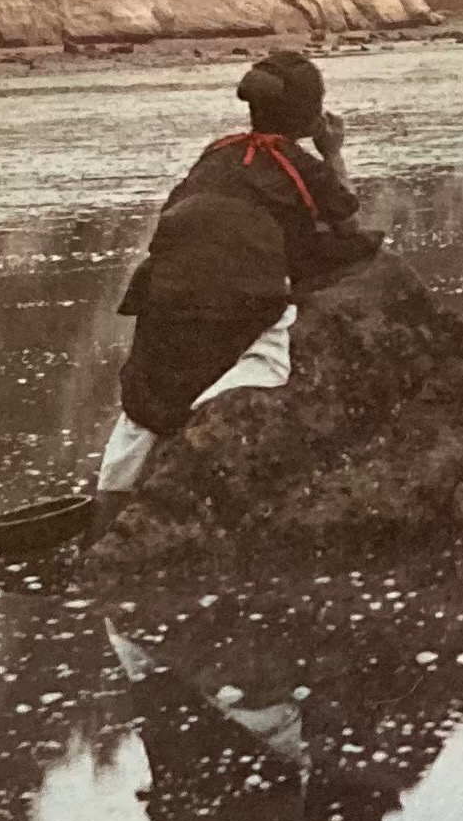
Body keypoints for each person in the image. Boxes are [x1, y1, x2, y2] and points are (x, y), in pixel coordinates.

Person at [93, 50, 377, 508]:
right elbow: (346, 222)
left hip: (164, 297)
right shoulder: (295, 164)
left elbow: (178, 213)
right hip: (235, 301)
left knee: (146, 404)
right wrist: (332, 151)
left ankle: (106, 512)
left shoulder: (217, 154)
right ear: (311, 113)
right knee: (251, 362)